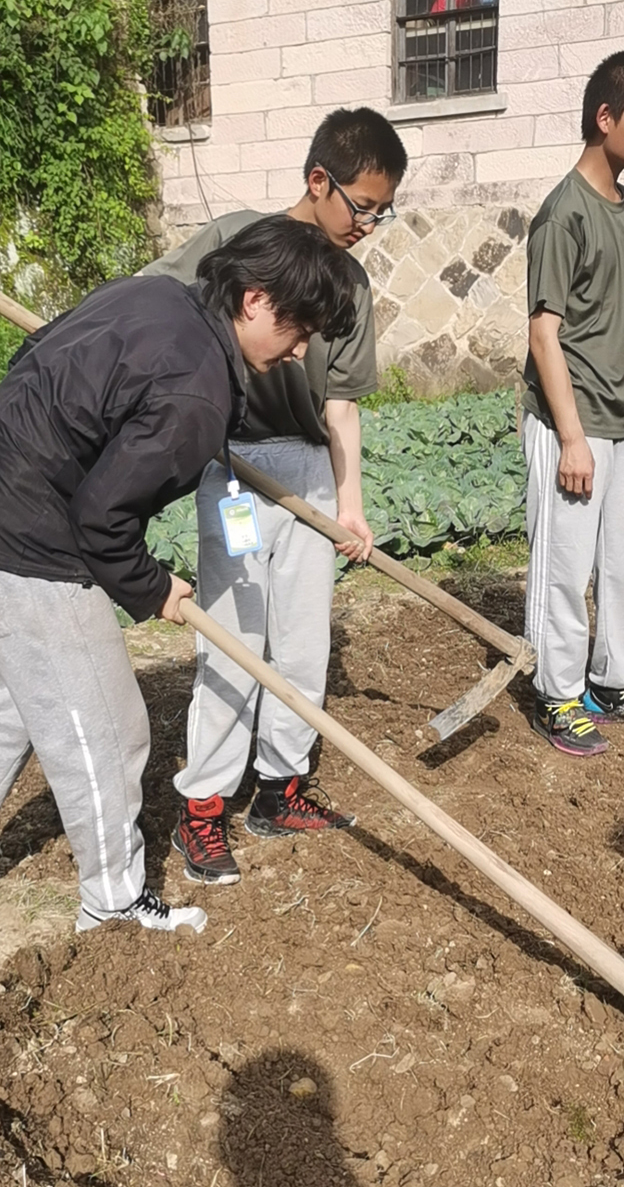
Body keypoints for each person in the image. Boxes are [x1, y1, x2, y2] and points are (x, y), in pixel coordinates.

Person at [0, 216, 358, 934]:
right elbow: (102, 518)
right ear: (256, 299)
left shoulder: (155, 296)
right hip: (30, 546)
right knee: (111, 730)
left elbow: (33, 355)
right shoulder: (199, 393)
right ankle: (114, 901)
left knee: (9, 701)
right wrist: (154, 586)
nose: (299, 353)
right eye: (299, 332)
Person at [140, 107, 408, 885]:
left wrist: (349, 503)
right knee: (234, 638)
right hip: (236, 471)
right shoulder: (238, 240)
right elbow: (153, 300)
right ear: (319, 181)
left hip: (309, 473)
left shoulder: (351, 283)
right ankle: (202, 808)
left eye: (382, 213)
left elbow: (342, 405)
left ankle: (280, 790)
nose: (368, 225)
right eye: (363, 206)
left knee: (301, 642)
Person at [522, 50, 624, 757]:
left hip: (619, 418)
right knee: (565, 566)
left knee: (618, 563)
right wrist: (572, 437)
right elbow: (543, 332)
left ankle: (609, 680)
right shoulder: (563, 215)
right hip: (575, 420)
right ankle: (556, 693)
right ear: (606, 118)